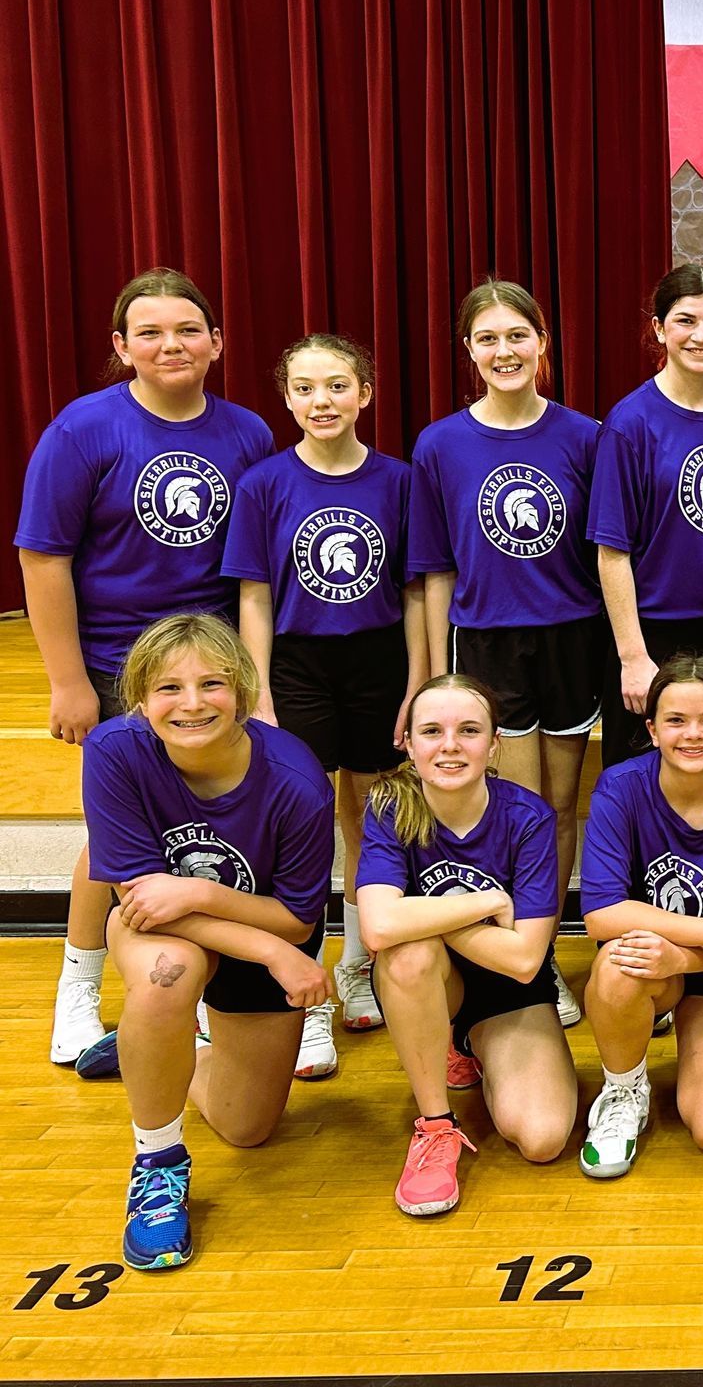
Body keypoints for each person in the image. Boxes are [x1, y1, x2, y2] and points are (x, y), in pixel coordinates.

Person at [17, 269, 274, 1072]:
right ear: (122, 347)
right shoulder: (82, 431)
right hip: (118, 668)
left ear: (217, 343)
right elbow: (43, 557)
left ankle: (190, 995)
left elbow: (256, 568)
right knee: (117, 833)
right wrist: (66, 682)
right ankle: (78, 990)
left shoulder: (248, 434)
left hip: (217, 668)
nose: (173, 345)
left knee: (201, 831)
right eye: (152, 332)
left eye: (189, 330)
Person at [82, 615, 333, 1270]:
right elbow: (141, 903)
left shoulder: (298, 782)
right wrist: (272, 953)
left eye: (211, 684)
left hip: (262, 926)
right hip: (158, 930)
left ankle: (157, 1048)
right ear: (140, 699)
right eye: (168, 688)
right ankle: (158, 1167)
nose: (191, 703)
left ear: (244, 692)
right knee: (167, 971)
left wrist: (199, 894)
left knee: (247, 1128)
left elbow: (296, 923)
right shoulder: (113, 751)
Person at [225, 333, 426, 1078]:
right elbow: (255, 593)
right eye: (306, 388)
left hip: (378, 663)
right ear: (287, 399)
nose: (322, 402)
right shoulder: (265, 484)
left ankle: (355, 962)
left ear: (364, 394)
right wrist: (260, 690)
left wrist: (417, 681)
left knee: (371, 818)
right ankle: (306, 1002)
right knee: (308, 824)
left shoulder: (398, 481)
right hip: (299, 666)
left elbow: (413, 590)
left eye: (338, 386)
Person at [409, 279, 600, 1023]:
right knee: (516, 808)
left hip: (570, 637)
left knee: (557, 808)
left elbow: (604, 551)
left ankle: (540, 950)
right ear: (469, 352)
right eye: (487, 339)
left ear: (542, 343)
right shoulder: (441, 444)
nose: (504, 350)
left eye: (517, 335)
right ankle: (518, 963)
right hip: (486, 641)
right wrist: (433, 680)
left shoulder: (584, 436)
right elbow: (434, 570)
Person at [356, 675, 575, 1215]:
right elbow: (379, 929)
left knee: (543, 1138)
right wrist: (487, 903)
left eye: (468, 730)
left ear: (494, 743)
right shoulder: (390, 807)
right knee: (408, 955)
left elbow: (525, 960)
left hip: (507, 988)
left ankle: (468, 1044)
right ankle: (435, 1127)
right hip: (431, 982)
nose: (450, 745)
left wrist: (424, 916)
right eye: (431, 730)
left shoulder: (528, 818)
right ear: (407, 743)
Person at [576, 655, 703, 1173]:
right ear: (651, 729)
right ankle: (624, 1090)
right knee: (619, 964)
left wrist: (684, 959)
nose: (693, 734)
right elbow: (601, 914)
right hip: (650, 961)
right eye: (675, 720)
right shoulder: (620, 789)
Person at [591, 264, 703, 776]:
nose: (701, 336)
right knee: (643, 786)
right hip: (653, 632)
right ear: (660, 329)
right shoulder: (629, 423)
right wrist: (633, 656)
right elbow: (612, 551)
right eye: (686, 321)